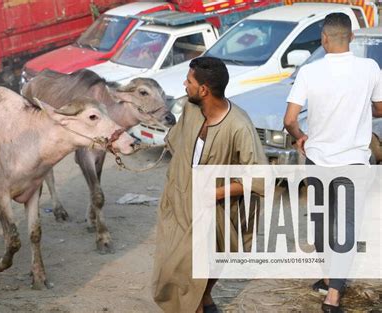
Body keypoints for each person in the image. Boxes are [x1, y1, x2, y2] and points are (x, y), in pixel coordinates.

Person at [152, 56, 267, 313]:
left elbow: (258, 177)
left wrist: (215, 193)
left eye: (189, 81)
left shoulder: (239, 125)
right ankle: (202, 301)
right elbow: (176, 143)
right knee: (175, 266)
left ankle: (200, 303)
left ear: (204, 89)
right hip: (179, 199)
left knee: (198, 266)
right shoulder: (191, 109)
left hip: (213, 209)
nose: (185, 84)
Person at [284, 13, 382, 313]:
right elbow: (380, 109)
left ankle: (329, 278)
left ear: (324, 39)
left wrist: (300, 136)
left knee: (320, 222)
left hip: (318, 160)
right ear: (351, 37)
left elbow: (289, 120)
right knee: (347, 227)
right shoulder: (370, 68)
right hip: (353, 162)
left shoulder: (310, 72)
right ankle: (333, 294)